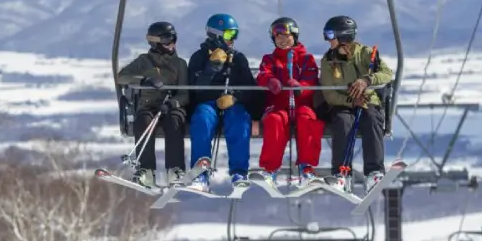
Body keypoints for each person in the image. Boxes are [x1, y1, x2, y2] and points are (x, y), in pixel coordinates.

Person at [316, 15, 393, 193]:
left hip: (367, 101)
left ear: (343, 36)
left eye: (330, 35)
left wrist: (367, 80)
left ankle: (374, 171)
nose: (328, 41)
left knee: (372, 119)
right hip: (343, 104)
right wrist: (350, 100)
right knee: (342, 122)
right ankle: (342, 173)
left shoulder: (365, 54)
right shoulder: (328, 61)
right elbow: (329, 93)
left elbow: (387, 73)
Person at [186, 14, 263, 191]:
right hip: (207, 103)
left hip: (232, 103)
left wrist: (234, 97)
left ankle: (239, 171)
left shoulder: (238, 59)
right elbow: (195, 89)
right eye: (229, 35)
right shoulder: (199, 58)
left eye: (235, 35)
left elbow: (250, 89)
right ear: (216, 35)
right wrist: (211, 69)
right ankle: (200, 172)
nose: (232, 40)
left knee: (239, 119)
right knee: (202, 120)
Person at [115, 21, 188, 188]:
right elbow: (122, 77)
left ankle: (175, 170)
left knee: (174, 121)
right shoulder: (144, 61)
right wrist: (143, 80)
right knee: (143, 120)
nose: (171, 44)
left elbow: (184, 93)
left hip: (172, 106)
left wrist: (173, 103)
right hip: (149, 105)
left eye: (173, 39)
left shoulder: (180, 64)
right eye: (167, 40)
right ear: (155, 42)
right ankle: (146, 171)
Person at [256, 17, 325, 186]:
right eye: (278, 38)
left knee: (307, 120)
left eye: (286, 37)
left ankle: (306, 167)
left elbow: (311, 81)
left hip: (302, 104)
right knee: (274, 121)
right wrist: (270, 81)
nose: (282, 41)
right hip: (279, 105)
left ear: (294, 37)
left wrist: (301, 87)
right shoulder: (270, 59)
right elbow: (263, 73)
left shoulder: (306, 59)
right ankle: (270, 169)